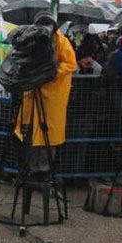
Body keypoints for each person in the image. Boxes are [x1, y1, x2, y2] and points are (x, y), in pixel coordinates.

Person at [13, 14, 77, 175]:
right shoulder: (33, 39)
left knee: (48, 135)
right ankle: (31, 170)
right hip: (33, 94)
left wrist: (50, 72)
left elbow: (70, 64)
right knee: (30, 135)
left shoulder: (62, 42)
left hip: (52, 98)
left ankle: (45, 171)